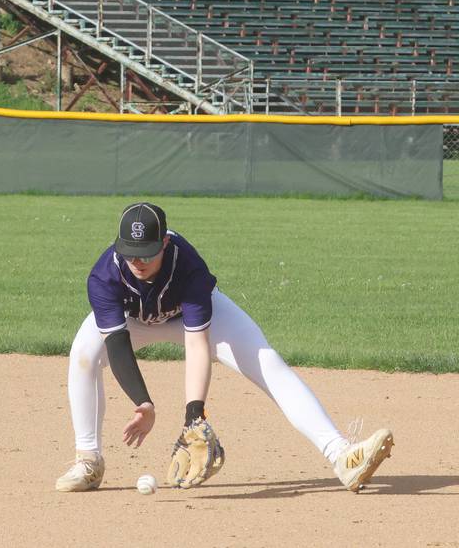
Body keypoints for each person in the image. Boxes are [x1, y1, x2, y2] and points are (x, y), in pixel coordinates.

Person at [55, 202, 394, 493]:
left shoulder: (187, 265)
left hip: (189, 317)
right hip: (133, 320)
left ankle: (341, 455)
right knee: (84, 355)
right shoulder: (104, 276)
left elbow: (196, 344)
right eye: (131, 253)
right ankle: (89, 460)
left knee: (266, 361)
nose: (138, 262)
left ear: (165, 242)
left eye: (146, 253)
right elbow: (117, 344)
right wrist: (143, 403)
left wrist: (194, 414)